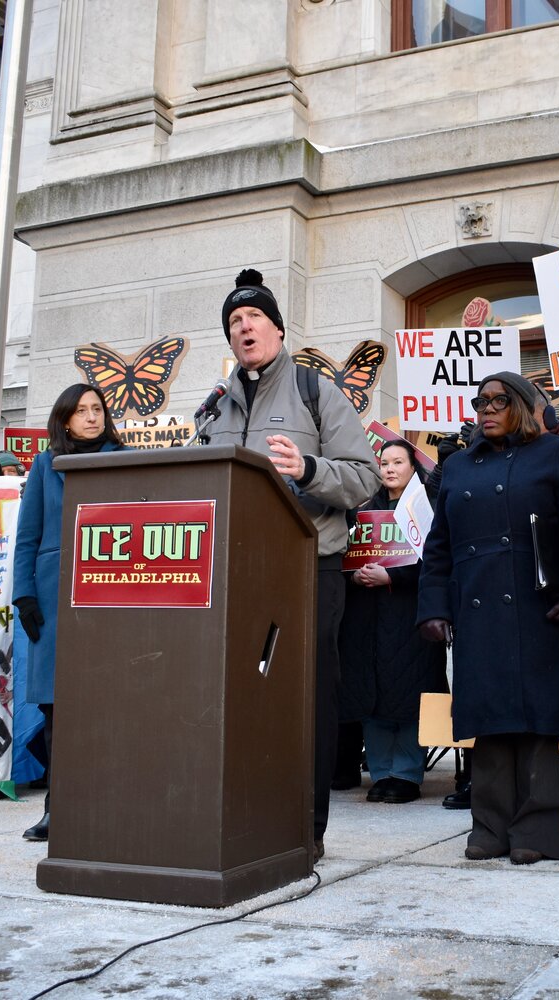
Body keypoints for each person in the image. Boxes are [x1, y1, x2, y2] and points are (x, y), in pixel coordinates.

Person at [204, 269, 380, 860]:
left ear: (278, 329)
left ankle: (307, 826)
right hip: (236, 576)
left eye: (254, 317)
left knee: (308, 698)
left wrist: (308, 470)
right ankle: (248, 817)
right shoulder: (214, 407)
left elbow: (364, 479)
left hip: (309, 569)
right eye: (233, 321)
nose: (244, 326)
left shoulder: (316, 392)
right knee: (243, 697)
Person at [418, 372, 559, 864]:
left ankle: (536, 832)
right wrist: (432, 607)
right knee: (488, 722)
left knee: (537, 723)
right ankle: (489, 827)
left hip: (540, 605)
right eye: (480, 401)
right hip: (477, 605)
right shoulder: (457, 466)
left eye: (498, 400)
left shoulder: (555, 453)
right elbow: (440, 545)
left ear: (521, 405)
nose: (487, 409)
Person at [12, 383, 126, 841]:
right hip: (55, 598)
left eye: (97, 409)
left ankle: (112, 803)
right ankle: (57, 809)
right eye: (81, 411)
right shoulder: (44, 464)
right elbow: (27, 535)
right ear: (64, 420)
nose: (92, 417)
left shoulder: (125, 459)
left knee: (109, 704)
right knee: (59, 708)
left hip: (112, 594)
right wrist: (24, 594)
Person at [339, 440, 446, 804]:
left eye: (398, 462)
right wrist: (354, 576)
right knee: (373, 695)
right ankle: (381, 772)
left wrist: (393, 579)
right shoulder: (362, 512)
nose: (389, 469)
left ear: (412, 467)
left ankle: (407, 773)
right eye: (384, 462)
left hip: (408, 616)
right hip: (367, 618)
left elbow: (434, 562)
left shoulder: (424, 509)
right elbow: (345, 558)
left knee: (408, 693)